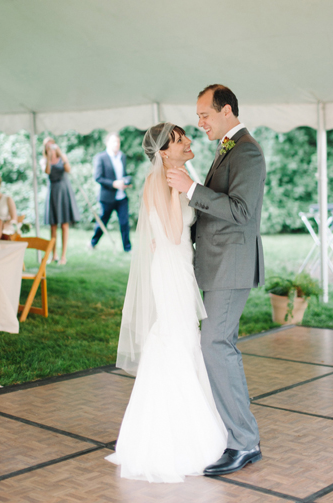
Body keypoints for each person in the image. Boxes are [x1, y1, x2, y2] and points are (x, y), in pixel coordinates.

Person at [107, 123, 226, 482]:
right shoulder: (163, 180)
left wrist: (183, 187)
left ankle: (167, 433)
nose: (187, 141)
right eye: (179, 140)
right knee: (179, 342)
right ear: (164, 152)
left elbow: (166, 234)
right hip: (171, 271)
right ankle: (179, 442)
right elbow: (174, 233)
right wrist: (179, 193)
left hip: (175, 266)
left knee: (178, 341)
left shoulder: (175, 174)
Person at [166, 84, 265, 476]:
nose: (199, 122)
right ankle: (239, 436)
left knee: (216, 345)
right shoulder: (228, 149)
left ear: (226, 111)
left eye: (204, 115)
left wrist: (191, 189)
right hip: (216, 264)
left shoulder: (247, 151)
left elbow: (242, 212)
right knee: (219, 345)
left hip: (232, 266)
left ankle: (243, 442)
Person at [91, 133, 133, 251]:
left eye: (118, 142)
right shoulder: (101, 157)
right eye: (114, 142)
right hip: (107, 196)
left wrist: (125, 182)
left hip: (122, 197)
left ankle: (127, 248)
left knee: (124, 222)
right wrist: (114, 184)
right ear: (107, 143)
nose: (117, 144)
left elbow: (122, 174)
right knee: (102, 221)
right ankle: (93, 243)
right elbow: (98, 177)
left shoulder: (122, 156)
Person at [42, 138, 81, 264]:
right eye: (47, 145)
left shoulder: (62, 156)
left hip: (64, 191)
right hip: (53, 191)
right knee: (53, 225)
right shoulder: (44, 160)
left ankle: (63, 256)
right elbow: (47, 172)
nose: (50, 147)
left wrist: (60, 153)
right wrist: (48, 158)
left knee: (64, 224)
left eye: (51, 144)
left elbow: (68, 169)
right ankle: (54, 255)